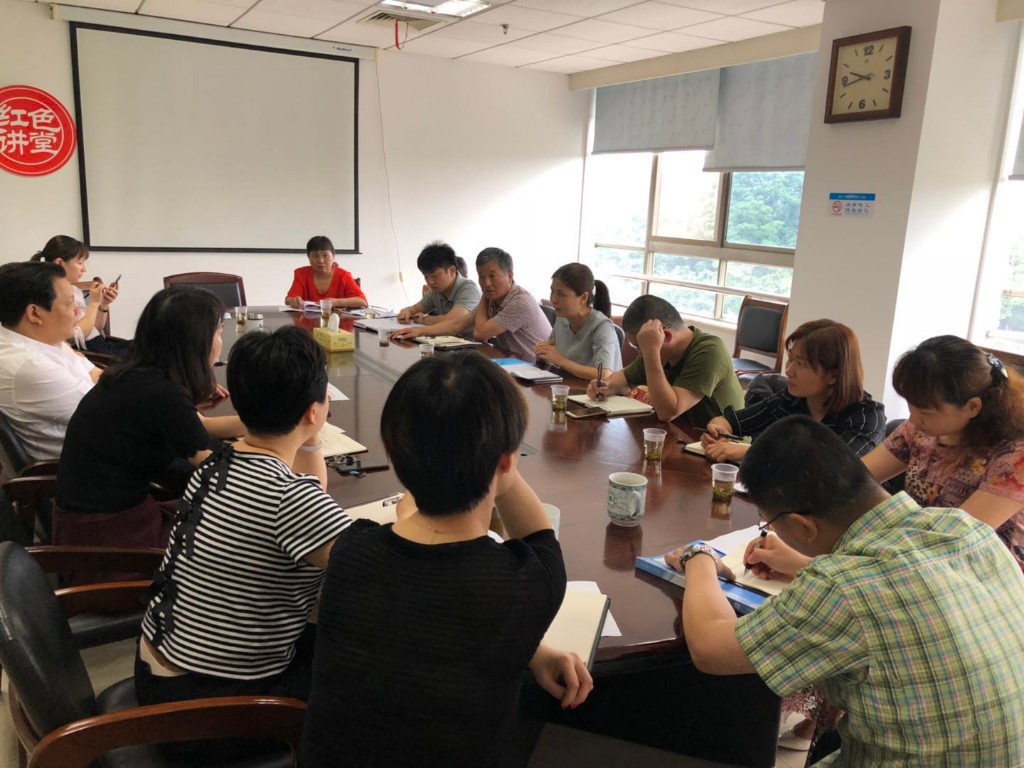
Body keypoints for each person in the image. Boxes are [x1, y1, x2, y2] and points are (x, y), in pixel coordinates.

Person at [669, 415, 1024, 767]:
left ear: (803, 525)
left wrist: (698, 556)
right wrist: (803, 564)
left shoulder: (841, 586)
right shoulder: (965, 529)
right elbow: (904, 584)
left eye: (769, 522)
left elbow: (710, 648)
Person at [302, 351, 592, 767]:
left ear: (398, 459)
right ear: (507, 461)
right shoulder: (527, 584)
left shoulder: (351, 551)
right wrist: (499, 458)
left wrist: (532, 649)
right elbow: (539, 536)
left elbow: (422, 619)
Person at [135, 327, 351, 719]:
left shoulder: (214, 465)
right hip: (210, 707)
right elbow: (379, 575)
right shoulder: (288, 499)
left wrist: (310, 434)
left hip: (158, 672)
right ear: (313, 411)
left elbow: (310, 497)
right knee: (368, 661)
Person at [54, 287, 244, 556]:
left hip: (92, 518)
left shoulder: (136, 374)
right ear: (196, 341)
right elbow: (219, 470)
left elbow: (196, 431)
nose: (220, 342)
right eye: (219, 333)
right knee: (245, 536)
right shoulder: (161, 391)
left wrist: (266, 424)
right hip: (107, 539)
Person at [862, 335, 1024, 571]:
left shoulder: (1014, 455)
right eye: (911, 406)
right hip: (921, 557)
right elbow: (856, 476)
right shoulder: (920, 429)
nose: (914, 419)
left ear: (972, 407)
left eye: (926, 411)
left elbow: (954, 537)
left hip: (984, 574)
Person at [701, 319, 885, 462]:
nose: (788, 371)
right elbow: (732, 421)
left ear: (833, 375)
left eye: (801, 364)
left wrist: (750, 452)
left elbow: (834, 466)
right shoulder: (790, 399)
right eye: (791, 359)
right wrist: (718, 432)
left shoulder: (866, 416)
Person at [587, 295, 743, 427]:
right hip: (684, 437)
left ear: (665, 336)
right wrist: (603, 387)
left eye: (639, 347)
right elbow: (622, 381)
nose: (640, 354)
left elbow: (668, 412)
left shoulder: (709, 351)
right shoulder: (660, 352)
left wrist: (651, 352)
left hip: (725, 445)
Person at [0, 261, 98, 465]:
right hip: (87, 470)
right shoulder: (29, 365)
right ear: (34, 313)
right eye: (70, 303)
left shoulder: (44, 338)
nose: (78, 312)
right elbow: (114, 413)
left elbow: (95, 373)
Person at [30, 235, 127, 356]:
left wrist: (103, 304)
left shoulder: (75, 290)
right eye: (80, 262)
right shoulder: (52, 295)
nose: (84, 269)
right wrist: (94, 303)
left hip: (99, 343)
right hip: (88, 351)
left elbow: (93, 329)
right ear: (60, 263)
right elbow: (74, 338)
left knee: (146, 344)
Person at [534, 263, 622, 380]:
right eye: (552, 292)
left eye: (561, 294)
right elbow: (553, 356)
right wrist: (543, 353)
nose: (553, 299)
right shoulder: (562, 318)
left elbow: (604, 374)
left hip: (599, 391)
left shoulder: (602, 326)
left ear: (583, 298)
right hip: (568, 386)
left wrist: (561, 360)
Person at [473, 247, 552, 363]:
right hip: (512, 363)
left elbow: (480, 333)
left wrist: (485, 295)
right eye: (481, 277)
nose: (486, 283)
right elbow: (459, 324)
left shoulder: (520, 301)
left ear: (509, 277)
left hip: (535, 368)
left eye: (492, 276)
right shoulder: (493, 299)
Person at [392, 241, 481, 340]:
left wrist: (425, 319)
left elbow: (453, 321)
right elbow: (415, 309)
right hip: (446, 341)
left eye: (435, 276)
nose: (430, 282)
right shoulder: (436, 291)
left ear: (451, 271)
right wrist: (406, 312)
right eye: (426, 277)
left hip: (471, 344)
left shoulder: (469, 289)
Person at [284, 235, 367, 310]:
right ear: (309, 258)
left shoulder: (344, 276)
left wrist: (336, 302)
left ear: (333, 256)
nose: (320, 260)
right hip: (307, 321)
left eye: (325, 256)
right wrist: (293, 300)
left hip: (338, 320)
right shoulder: (302, 274)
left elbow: (362, 301)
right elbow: (288, 299)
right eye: (315, 256)